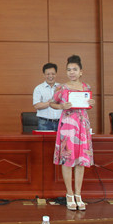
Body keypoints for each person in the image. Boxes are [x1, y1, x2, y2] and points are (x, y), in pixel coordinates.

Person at [49, 55, 95, 211]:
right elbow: (52, 103)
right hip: (68, 125)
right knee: (68, 159)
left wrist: (91, 103)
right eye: (69, 70)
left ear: (81, 72)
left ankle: (78, 194)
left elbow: (87, 104)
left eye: (74, 69)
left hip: (82, 125)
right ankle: (69, 194)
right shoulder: (62, 88)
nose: (71, 72)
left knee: (81, 160)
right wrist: (62, 106)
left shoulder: (86, 87)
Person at [32, 63, 62, 131]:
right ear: (44, 75)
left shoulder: (61, 88)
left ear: (56, 74)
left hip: (60, 122)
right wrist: (51, 102)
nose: (50, 76)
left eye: (53, 74)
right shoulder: (38, 88)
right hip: (44, 123)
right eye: (48, 74)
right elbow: (37, 105)